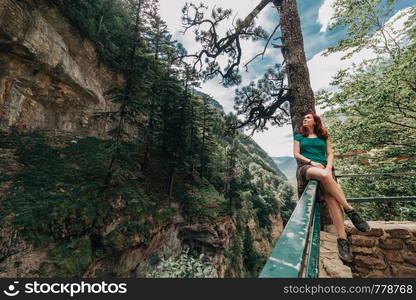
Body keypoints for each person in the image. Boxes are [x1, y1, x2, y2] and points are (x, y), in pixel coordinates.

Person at [293, 112, 370, 262]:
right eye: (304, 118)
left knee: (332, 200)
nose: (304, 120)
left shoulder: (324, 136)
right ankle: (350, 210)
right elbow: (296, 154)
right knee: (323, 176)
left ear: (315, 121)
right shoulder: (299, 137)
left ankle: (342, 240)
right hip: (307, 169)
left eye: (308, 118)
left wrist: (328, 168)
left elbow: (330, 154)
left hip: (326, 170)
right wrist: (311, 162)